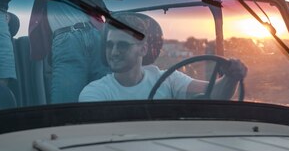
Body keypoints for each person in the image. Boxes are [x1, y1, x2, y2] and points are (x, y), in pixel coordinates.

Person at [78, 13, 248, 102]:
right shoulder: (95, 93)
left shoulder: (167, 79)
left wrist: (231, 77)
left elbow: (214, 94)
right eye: (109, 45)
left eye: (122, 45)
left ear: (143, 49)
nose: (114, 52)